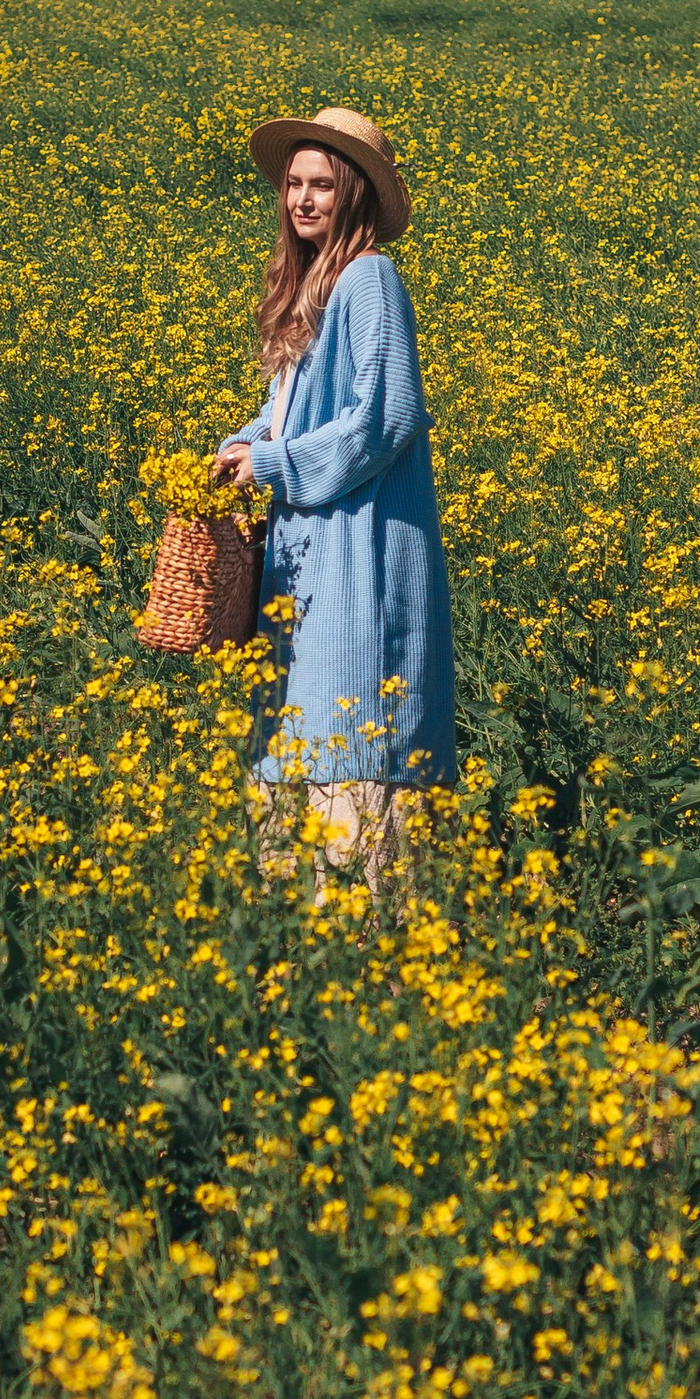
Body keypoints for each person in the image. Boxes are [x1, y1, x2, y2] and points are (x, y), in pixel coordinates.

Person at [211, 104, 457, 893]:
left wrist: (275, 463)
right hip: (307, 559)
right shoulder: (312, 286)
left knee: (357, 737)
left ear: (353, 195)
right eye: (293, 184)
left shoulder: (369, 279)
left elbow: (387, 417)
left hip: (362, 552)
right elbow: (295, 410)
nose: (303, 199)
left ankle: (365, 950)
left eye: (322, 184)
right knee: (299, 740)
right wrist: (242, 446)